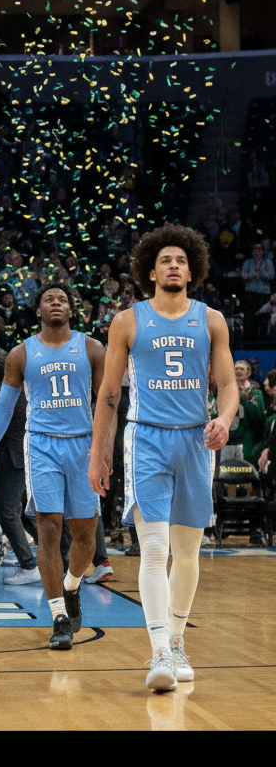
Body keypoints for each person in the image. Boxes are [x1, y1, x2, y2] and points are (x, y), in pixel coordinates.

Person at [88, 224, 238, 692]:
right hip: (146, 439)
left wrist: (226, 418)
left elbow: (228, 385)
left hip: (196, 440)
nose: (174, 266)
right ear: (150, 271)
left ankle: (176, 642)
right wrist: (98, 454)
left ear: (191, 270)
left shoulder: (211, 319)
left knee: (189, 553)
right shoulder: (128, 320)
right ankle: (157, 651)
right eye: (166, 260)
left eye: (181, 260)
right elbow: (110, 392)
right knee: (154, 549)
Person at [0, 284, 107, 650]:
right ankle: (59, 616)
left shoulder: (92, 347)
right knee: (49, 530)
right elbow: (3, 408)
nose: (56, 303)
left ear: (71, 309)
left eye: (63, 299)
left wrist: (104, 450)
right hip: (41, 445)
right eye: (49, 299)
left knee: (84, 534)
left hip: (83, 446)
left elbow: (108, 402)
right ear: (38, 311)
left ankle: (72, 586)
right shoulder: (21, 353)